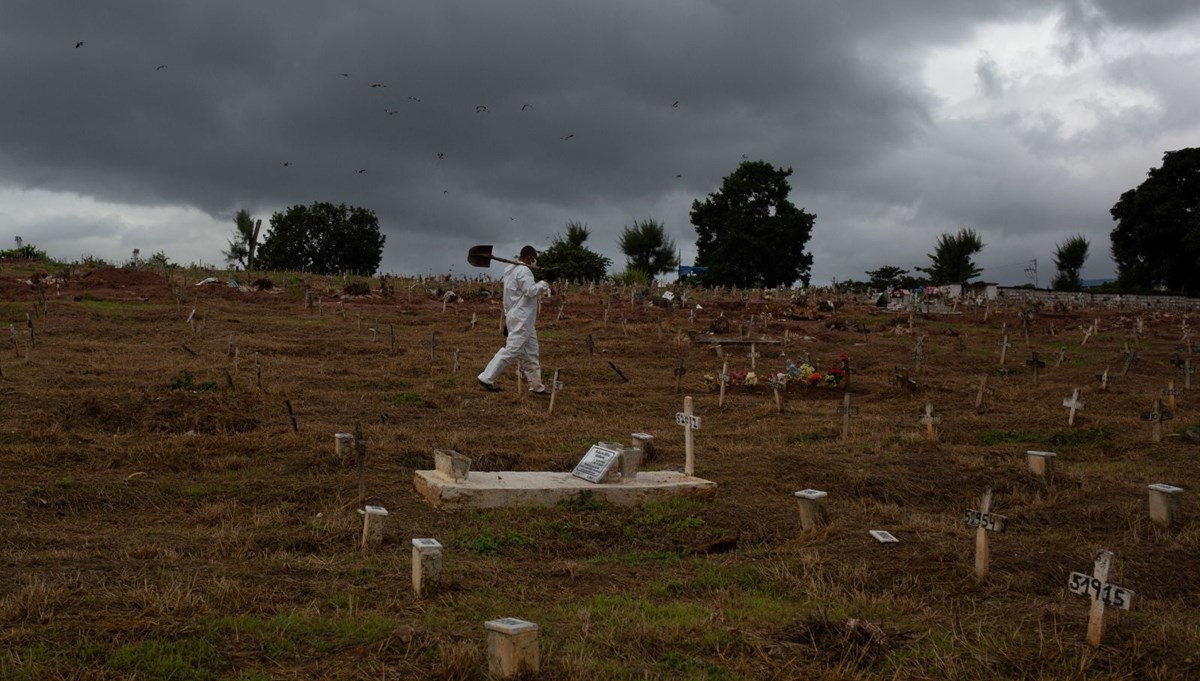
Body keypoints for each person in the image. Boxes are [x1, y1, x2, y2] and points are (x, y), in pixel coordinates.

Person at [477, 245, 551, 394]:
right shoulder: (524, 271)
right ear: (530, 257)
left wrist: (508, 317)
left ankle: (536, 386)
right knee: (512, 350)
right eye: (534, 258)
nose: (535, 261)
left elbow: (508, 299)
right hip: (522, 319)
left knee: (531, 353)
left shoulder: (511, 271)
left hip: (520, 318)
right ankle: (486, 377)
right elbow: (530, 291)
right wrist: (544, 283)